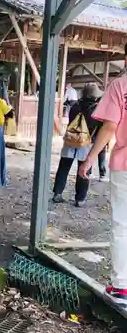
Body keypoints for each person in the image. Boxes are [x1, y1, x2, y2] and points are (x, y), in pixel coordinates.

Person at [78, 43, 127, 306]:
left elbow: (109, 127)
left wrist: (90, 158)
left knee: (122, 224)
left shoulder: (120, 86)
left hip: (125, 164)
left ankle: (121, 287)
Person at [52, 83, 103, 207]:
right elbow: (99, 127)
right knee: (84, 170)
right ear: (95, 96)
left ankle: (57, 194)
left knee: (64, 167)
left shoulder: (75, 106)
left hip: (71, 139)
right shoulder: (97, 109)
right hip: (86, 142)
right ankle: (80, 199)